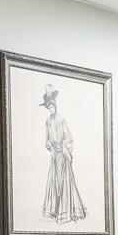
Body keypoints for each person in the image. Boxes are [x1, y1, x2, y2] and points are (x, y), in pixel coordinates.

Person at [41, 85, 88, 224]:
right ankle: (55, 210)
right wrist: (50, 145)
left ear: (55, 107)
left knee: (64, 181)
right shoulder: (48, 121)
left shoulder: (61, 119)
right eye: (48, 108)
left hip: (63, 154)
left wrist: (64, 148)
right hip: (54, 156)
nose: (50, 110)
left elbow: (69, 137)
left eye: (52, 107)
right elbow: (47, 139)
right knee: (54, 181)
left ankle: (67, 211)